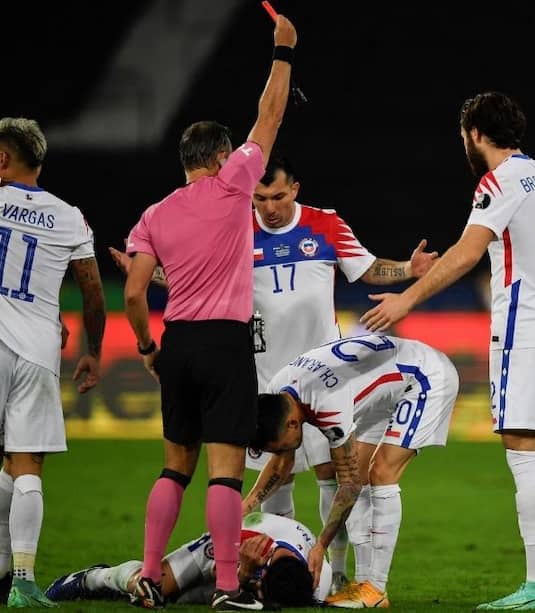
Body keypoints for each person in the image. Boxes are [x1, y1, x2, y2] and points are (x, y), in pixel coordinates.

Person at [109, 154, 439, 592]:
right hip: (262, 384)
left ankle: (336, 574)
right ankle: (273, 576)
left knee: (330, 477)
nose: (269, 207)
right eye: (260, 198)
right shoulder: (235, 227)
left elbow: (367, 266)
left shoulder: (325, 224)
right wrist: (150, 277)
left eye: (278, 196)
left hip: (324, 381)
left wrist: (408, 270)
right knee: (275, 486)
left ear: (295, 190)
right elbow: (201, 280)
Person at [359, 91, 535, 610]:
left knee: (522, 450)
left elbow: (467, 252)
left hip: (524, 326)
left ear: (475, 133)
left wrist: (407, 298)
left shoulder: (498, 180)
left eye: (463, 136)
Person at [122, 13, 297, 611]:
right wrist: (283, 50)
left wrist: (147, 347)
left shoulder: (153, 215)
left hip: (176, 344)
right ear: (222, 156)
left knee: (174, 467)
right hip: (225, 345)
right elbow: (269, 116)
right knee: (225, 474)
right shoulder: (234, 186)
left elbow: (134, 291)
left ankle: (149, 573)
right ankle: (227, 586)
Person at [248, 333, 459, 608]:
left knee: (381, 473)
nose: (280, 453)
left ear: (292, 424)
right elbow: (282, 462)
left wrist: (320, 544)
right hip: (387, 382)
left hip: (424, 377)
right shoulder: (279, 390)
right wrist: (247, 504)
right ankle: (361, 583)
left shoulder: (328, 407)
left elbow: (349, 485)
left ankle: (377, 588)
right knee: (359, 472)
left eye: (278, 446)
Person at [0, 117, 106, 608]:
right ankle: (20, 580)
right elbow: (91, 291)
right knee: (26, 466)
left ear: (4, 158)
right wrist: (92, 350)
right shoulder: (69, 216)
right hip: (39, 351)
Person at [44, 511, 331, 607]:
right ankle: (93, 578)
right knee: (153, 589)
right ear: (264, 572)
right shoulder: (243, 540)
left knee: (178, 601)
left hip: (256, 561)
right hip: (220, 549)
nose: (258, 594)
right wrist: (242, 575)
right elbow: (226, 575)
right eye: (260, 588)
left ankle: (115, 593)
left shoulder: (318, 581)